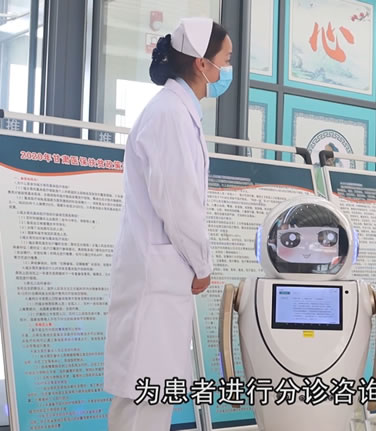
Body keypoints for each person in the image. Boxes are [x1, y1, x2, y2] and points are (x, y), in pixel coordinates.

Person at [104, 17, 233, 430]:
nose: (227, 69)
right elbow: (179, 206)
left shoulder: (177, 111)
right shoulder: (170, 115)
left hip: (159, 276)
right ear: (201, 63)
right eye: (225, 59)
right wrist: (203, 264)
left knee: (150, 396)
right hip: (156, 278)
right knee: (145, 398)